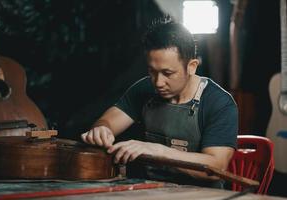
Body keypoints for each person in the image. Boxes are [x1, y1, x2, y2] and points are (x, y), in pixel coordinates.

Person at [81, 16, 238, 188]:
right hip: (150, 190)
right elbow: (107, 121)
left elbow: (216, 166)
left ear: (192, 66)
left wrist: (159, 151)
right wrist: (101, 129)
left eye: (167, 73)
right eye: (152, 71)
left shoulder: (219, 103)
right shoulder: (144, 89)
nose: (158, 82)